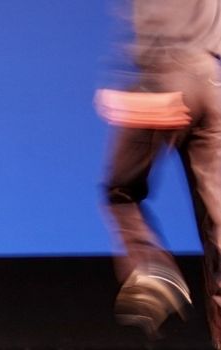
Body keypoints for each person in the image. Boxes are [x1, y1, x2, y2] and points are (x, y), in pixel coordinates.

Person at [96, 0, 221, 347]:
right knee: (217, 223)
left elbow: (158, 24)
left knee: (121, 191)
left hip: (167, 74)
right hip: (212, 83)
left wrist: (145, 88)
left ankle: (151, 267)